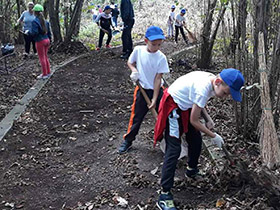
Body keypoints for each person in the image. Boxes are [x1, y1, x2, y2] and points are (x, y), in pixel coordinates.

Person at [154, 68, 245, 210]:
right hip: (173, 106)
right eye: (226, 93)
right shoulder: (203, 87)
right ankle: (164, 195)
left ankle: (192, 169)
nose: (225, 97)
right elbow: (194, 121)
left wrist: (208, 119)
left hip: (187, 106)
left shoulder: (211, 81)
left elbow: (199, 103)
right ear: (218, 82)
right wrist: (213, 136)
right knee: (174, 150)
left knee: (195, 139)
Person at [118, 26, 170, 154]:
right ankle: (128, 140)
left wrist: (154, 98)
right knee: (136, 117)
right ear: (146, 40)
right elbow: (130, 62)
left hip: (158, 92)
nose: (156, 47)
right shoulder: (138, 50)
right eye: (154, 44)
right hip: (142, 90)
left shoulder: (161, 58)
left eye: (159, 44)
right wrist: (134, 71)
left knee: (164, 118)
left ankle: (169, 142)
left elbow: (158, 79)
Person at [28, 4, 52, 79]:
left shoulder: (35, 21)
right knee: (45, 56)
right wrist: (50, 40)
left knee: (42, 58)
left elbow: (34, 32)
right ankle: (48, 72)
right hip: (47, 40)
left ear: (35, 12)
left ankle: (44, 74)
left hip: (40, 41)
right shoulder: (46, 21)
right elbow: (49, 33)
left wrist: (28, 32)